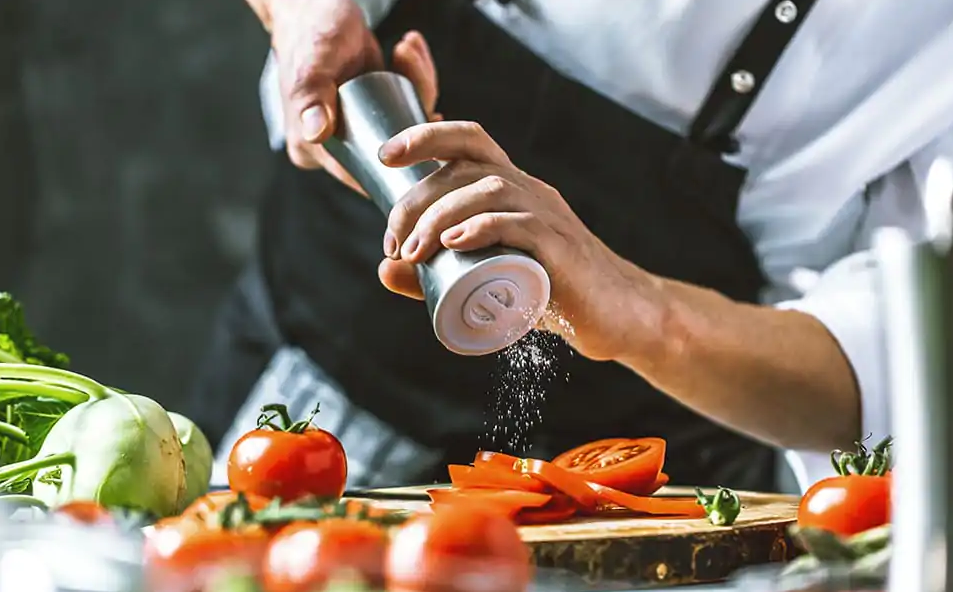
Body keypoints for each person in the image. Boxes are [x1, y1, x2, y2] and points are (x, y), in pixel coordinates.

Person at [188, 0, 953, 493]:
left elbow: (900, 365)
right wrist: (306, 17)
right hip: (315, 399)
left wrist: (641, 312)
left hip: (619, 495)